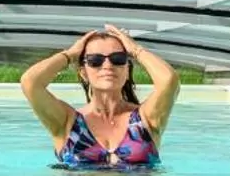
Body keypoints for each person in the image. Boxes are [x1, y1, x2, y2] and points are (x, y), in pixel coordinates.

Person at [20, 24, 181, 168]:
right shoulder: (66, 122)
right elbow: (30, 83)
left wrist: (135, 50)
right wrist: (69, 55)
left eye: (118, 59)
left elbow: (168, 81)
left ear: (127, 69)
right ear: (83, 72)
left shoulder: (146, 119)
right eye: (95, 60)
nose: (107, 66)